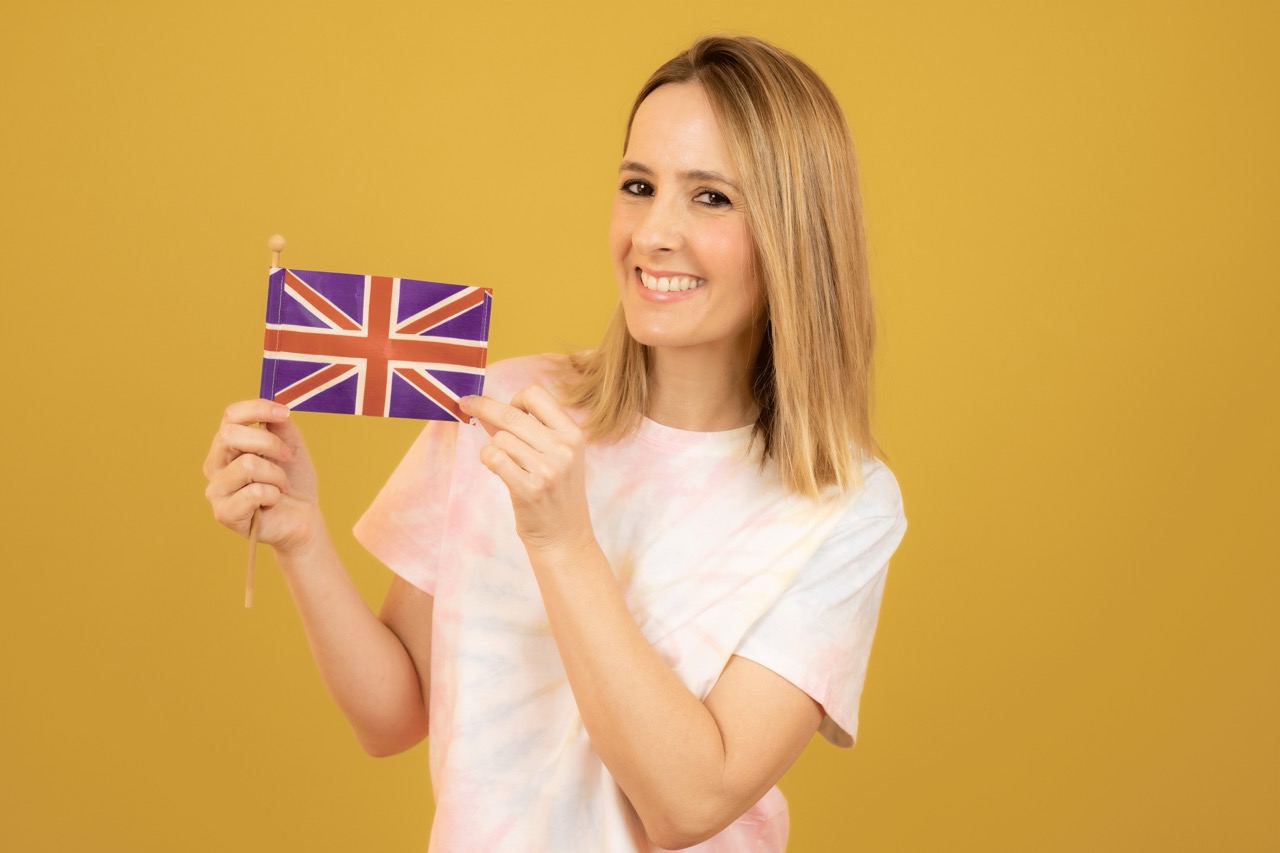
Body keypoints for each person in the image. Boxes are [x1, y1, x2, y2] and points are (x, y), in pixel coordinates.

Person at [204, 34, 906, 852]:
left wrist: (562, 539)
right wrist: (301, 537)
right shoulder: (500, 410)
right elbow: (394, 715)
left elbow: (689, 803)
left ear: (796, 231)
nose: (653, 233)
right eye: (638, 186)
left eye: (711, 197)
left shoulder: (844, 504)